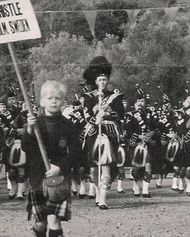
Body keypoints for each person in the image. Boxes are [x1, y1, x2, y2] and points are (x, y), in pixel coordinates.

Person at [22, 80, 87, 237]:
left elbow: (76, 152)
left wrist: (60, 167)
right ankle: (37, 232)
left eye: (58, 98)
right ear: (42, 101)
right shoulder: (35, 123)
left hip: (59, 179)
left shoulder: (68, 125)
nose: (54, 101)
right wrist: (30, 130)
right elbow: (26, 148)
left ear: (63, 101)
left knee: (54, 221)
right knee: (40, 222)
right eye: (50, 98)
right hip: (38, 178)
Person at [82, 56, 124, 209]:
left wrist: (106, 114)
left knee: (106, 165)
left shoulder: (115, 96)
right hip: (94, 132)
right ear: (95, 81)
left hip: (110, 132)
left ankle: (103, 199)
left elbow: (120, 114)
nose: (102, 82)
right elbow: (85, 114)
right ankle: (98, 194)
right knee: (94, 169)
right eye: (99, 80)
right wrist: (94, 118)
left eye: (104, 80)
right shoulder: (88, 96)